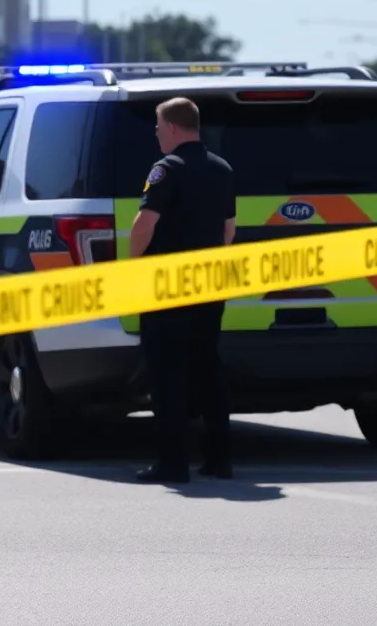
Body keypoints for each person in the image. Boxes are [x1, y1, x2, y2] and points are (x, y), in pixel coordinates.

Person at [128, 97, 237, 484]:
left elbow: (145, 223)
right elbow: (228, 230)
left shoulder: (165, 170)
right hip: (209, 285)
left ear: (174, 127)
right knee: (208, 369)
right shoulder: (221, 169)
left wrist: (133, 261)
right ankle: (219, 460)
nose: (156, 132)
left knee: (168, 374)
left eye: (159, 125)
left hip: (168, 287)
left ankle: (173, 465)